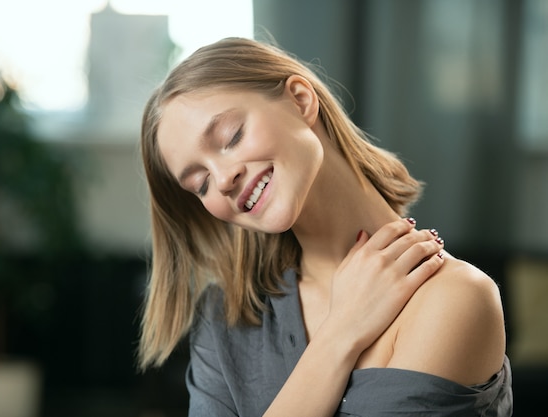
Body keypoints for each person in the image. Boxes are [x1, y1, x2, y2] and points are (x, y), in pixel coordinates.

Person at [137, 37, 512, 416]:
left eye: (232, 136)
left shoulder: (455, 298)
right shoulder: (224, 317)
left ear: (301, 100)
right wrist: (341, 333)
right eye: (200, 184)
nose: (222, 180)